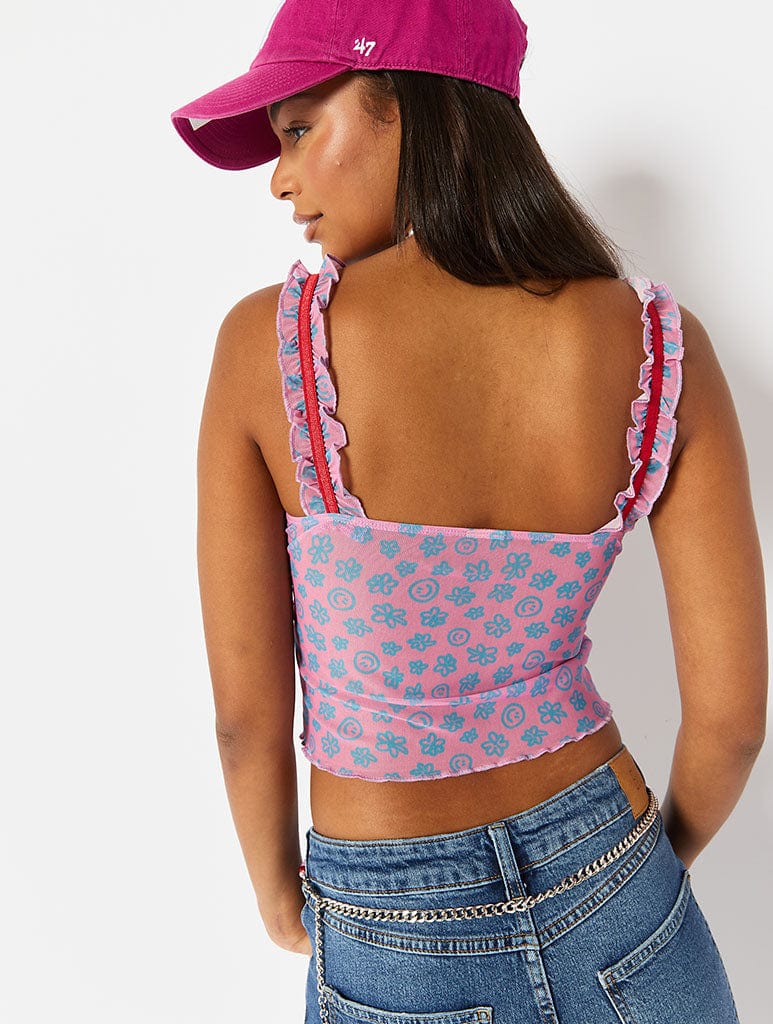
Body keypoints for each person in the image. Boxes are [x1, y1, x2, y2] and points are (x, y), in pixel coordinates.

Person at [170, 2, 767, 1021]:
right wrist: (632, 873)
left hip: (387, 920)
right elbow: (730, 722)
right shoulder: (657, 343)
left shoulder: (266, 351)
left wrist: (277, 895)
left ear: (406, 106)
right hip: (622, 883)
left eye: (300, 130)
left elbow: (245, 720)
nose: (279, 178)